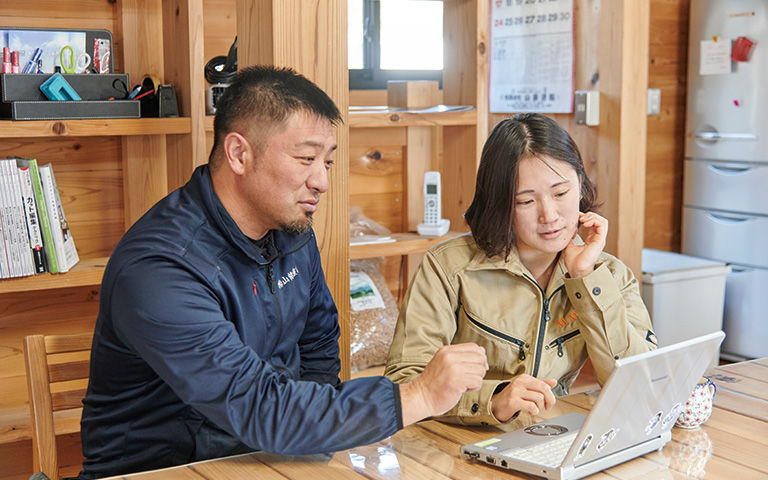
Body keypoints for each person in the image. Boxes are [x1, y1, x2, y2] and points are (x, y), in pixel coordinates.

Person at [79, 65, 489, 479]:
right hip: (162, 469)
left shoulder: (289, 230)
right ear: (240, 153)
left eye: (327, 162)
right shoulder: (161, 266)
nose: (322, 181)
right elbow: (254, 403)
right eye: (306, 159)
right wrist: (416, 396)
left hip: (269, 457)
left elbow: (319, 346)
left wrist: (315, 451)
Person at [385, 113, 657, 426]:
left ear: (580, 185)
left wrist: (585, 279)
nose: (550, 215)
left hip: (551, 438)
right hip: (459, 446)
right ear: (499, 203)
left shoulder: (609, 275)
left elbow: (640, 384)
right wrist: (494, 400)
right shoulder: (448, 267)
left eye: (561, 193)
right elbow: (405, 384)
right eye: (526, 201)